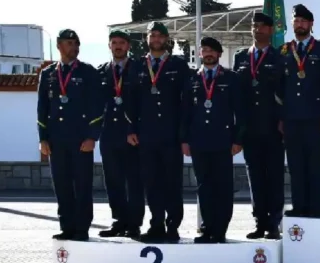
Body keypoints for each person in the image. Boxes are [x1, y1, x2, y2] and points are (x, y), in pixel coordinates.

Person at [125, 21, 189, 243]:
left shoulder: (178, 65)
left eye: (160, 36)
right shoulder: (137, 65)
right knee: (151, 183)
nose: (156, 40)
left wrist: (184, 136)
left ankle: (173, 226)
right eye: (152, 36)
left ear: (166, 39)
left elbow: (186, 103)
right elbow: (130, 100)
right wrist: (131, 129)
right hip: (147, 135)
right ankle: (156, 224)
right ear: (147, 39)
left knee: (172, 182)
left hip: (171, 135)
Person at [38, 29, 102, 241]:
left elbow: (96, 107)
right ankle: (67, 226)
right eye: (69, 43)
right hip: (56, 140)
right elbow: (42, 109)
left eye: (76, 44)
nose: (73, 48)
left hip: (80, 140)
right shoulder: (47, 74)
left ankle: (82, 228)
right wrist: (43, 138)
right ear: (59, 45)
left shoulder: (88, 72)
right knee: (62, 184)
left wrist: (92, 136)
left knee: (82, 185)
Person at [181, 38, 246, 243]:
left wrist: (238, 139)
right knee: (204, 186)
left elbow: (241, 112)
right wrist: (184, 140)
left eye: (212, 50)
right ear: (200, 54)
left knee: (223, 187)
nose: (208, 53)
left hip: (223, 142)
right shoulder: (192, 79)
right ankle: (207, 227)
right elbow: (185, 113)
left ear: (219, 54)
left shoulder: (230, 78)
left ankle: (220, 229)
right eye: (205, 50)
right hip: (199, 142)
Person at [280, 3, 320, 218]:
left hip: (315, 117)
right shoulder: (285, 51)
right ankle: (298, 205)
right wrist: (281, 117)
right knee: (295, 165)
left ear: (311, 24)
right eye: (296, 21)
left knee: (313, 163)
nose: (300, 24)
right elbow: (279, 88)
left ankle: (314, 207)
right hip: (291, 118)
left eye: (304, 21)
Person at [233, 12, 285, 239]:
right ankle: (259, 222)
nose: (258, 30)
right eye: (255, 26)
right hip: (249, 128)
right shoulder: (241, 57)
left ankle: (274, 223)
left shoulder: (279, 57)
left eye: (263, 26)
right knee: (255, 177)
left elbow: (285, 93)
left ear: (271, 30)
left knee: (274, 176)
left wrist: (284, 120)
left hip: (273, 127)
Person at [97, 29, 143, 239]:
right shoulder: (101, 71)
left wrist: (134, 129)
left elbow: (143, 105)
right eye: (114, 42)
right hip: (109, 135)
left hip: (131, 136)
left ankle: (134, 223)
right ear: (109, 46)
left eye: (121, 43)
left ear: (128, 46)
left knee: (133, 181)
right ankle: (118, 221)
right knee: (113, 180)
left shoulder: (139, 69)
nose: (118, 46)